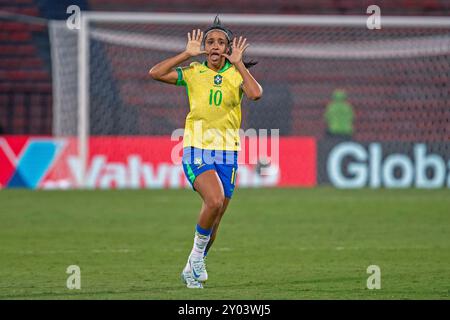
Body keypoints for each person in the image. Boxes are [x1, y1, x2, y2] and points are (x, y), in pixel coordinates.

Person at [149, 16, 263, 288]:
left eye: (220, 42)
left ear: (228, 48)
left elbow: (256, 93)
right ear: (203, 47)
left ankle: (192, 266)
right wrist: (185, 54)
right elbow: (155, 72)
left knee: (217, 215)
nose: (214, 46)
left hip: (228, 153)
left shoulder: (236, 75)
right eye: (209, 42)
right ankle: (197, 259)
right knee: (214, 200)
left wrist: (238, 63)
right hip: (196, 147)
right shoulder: (193, 72)